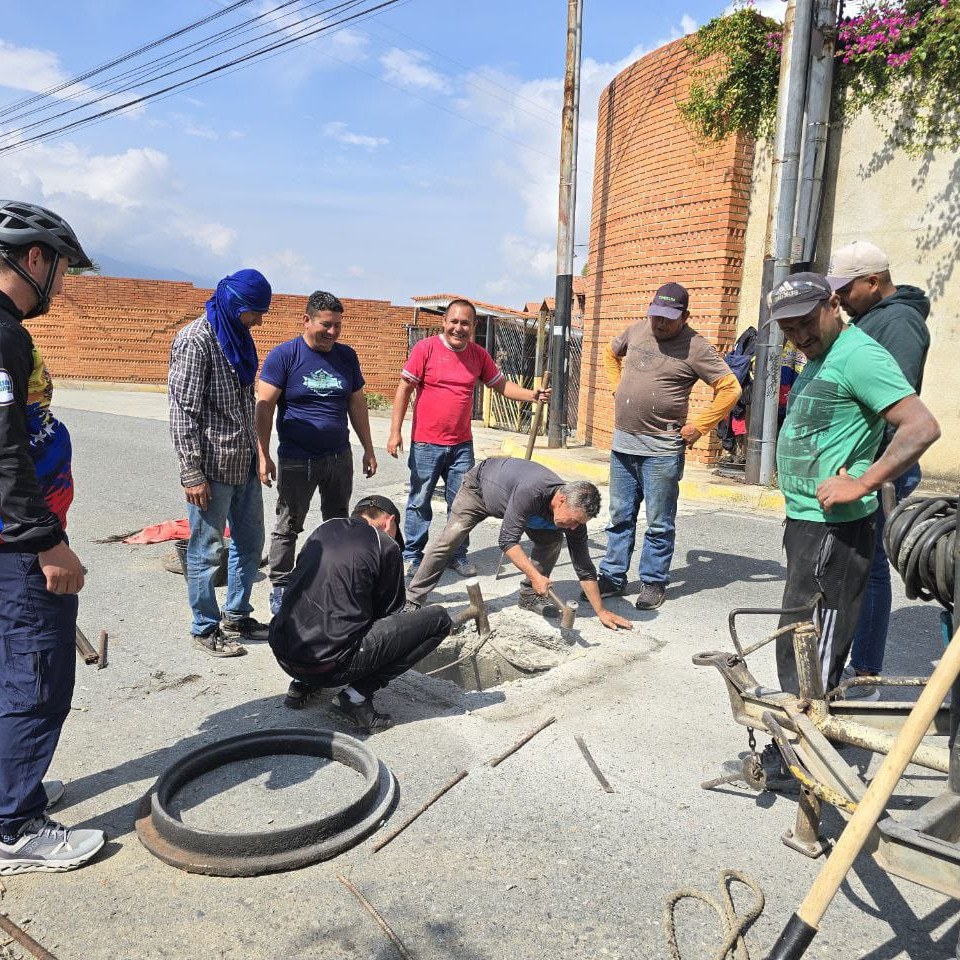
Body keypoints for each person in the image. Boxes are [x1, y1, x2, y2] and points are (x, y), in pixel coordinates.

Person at [770, 272, 939, 700]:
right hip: (808, 521)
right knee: (795, 635)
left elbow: (921, 427)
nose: (800, 336)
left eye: (807, 322)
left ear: (832, 304)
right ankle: (800, 728)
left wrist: (863, 482)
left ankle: (811, 739)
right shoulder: (821, 354)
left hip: (836, 529)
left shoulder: (859, 354)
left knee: (814, 643)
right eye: (789, 330)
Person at [0, 200, 105, 873]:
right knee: (35, 676)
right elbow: (2, 447)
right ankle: (15, 828)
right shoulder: (1, 332)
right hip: (17, 545)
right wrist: (44, 540)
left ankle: (14, 790)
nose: (62, 286)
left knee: (12, 670)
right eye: (61, 269)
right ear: (33, 258)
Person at [826, 242, 931, 696]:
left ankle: (866, 670)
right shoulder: (873, 319)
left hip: (878, 469)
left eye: (846, 289)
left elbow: (897, 405)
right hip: (862, 466)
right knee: (852, 565)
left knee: (868, 567)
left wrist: (869, 473)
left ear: (874, 282)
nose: (840, 299)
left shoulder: (901, 323)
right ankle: (849, 656)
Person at [597, 282, 741, 610]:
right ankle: (612, 575)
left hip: (662, 448)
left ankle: (653, 581)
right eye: (655, 316)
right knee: (620, 515)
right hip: (623, 444)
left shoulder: (697, 348)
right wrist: (619, 386)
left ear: (685, 316)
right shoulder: (637, 330)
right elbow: (610, 351)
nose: (659, 323)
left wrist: (701, 426)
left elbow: (730, 388)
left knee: (659, 521)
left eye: (668, 318)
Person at [387, 298, 550, 580]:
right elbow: (403, 390)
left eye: (465, 323)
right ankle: (412, 555)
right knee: (419, 500)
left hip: (461, 445)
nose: (458, 328)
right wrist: (395, 432)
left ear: (473, 326)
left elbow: (501, 385)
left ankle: (457, 555)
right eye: (454, 321)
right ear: (444, 322)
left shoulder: (477, 355)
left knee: (462, 503)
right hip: (426, 443)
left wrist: (532, 395)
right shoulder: (425, 349)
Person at [269, 495, 452, 733]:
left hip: (284, 655)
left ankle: (302, 683)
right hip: (328, 665)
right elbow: (389, 616)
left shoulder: (324, 529)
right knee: (439, 620)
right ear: (389, 522)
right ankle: (354, 698)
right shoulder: (385, 543)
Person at [169, 269, 272, 657]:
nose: (259, 320)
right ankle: (205, 626)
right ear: (234, 304)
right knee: (207, 549)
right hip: (211, 468)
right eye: (254, 312)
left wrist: (261, 453)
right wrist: (192, 473)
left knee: (250, 542)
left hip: (243, 460)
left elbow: (247, 405)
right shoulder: (196, 341)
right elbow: (182, 412)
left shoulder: (239, 337)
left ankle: (237, 614)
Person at [406, 457, 633, 631]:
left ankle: (528, 597)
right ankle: (413, 599)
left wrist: (601, 610)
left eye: (578, 523)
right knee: (449, 540)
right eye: (573, 520)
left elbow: (584, 566)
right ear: (561, 500)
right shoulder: (532, 491)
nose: (573, 527)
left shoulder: (574, 517)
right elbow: (507, 540)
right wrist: (537, 576)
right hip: (480, 490)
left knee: (553, 539)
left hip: (520, 507)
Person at [256, 291, 377, 616]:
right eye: (327, 325)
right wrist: (262, 453)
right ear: (306, 320)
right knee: (288, 523)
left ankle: (332, 579)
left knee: (337, 522)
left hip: (338, 457)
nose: (333, 332)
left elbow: (357, 403)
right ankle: (281, 586)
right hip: (297, 459)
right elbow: (264, 408)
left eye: (338, 325)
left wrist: (367, 448)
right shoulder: (285, 356)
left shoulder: (346, 357)